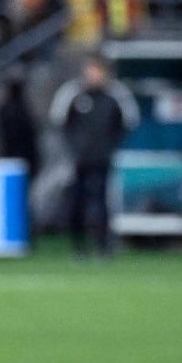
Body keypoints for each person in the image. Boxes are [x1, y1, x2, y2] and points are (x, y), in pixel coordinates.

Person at [49, 53, 136, 257]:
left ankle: (103, 245)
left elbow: (128, 123)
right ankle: (78, 246)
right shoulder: (72, 93)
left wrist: (109, 147)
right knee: (76, 201)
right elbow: (59, 122)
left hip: (103, 159)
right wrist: (73, 150)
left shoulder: (116, 94)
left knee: (103, 202)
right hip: (78, 160)